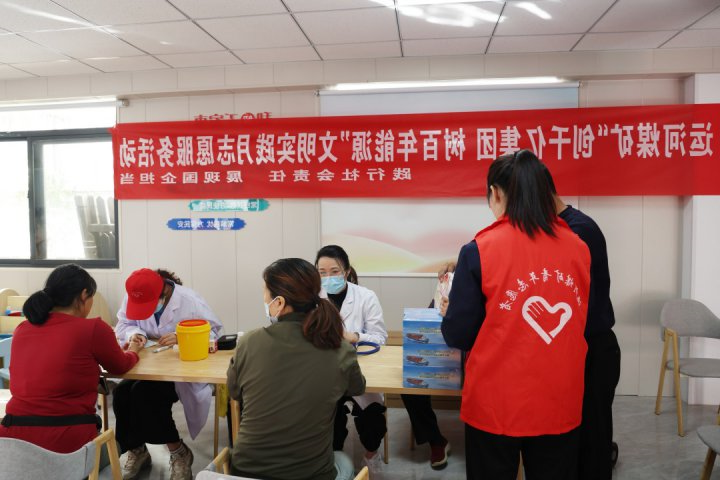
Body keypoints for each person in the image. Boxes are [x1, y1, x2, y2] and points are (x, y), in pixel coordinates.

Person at [441, 150, 591, 480]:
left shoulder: (479, 250)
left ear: (495, 193)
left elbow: (459, 334)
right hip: (559, 399)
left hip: (496, 404)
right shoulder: (579, 248)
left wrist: (450, 313)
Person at [226, 258, 365, 480]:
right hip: (312, 474)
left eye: (265, 293)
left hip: (246, 472)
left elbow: (234, 392)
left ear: (279, 302)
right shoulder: (340, 349)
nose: (264, 299)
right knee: (343, 460)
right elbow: (357, 388)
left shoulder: (248, 342)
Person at [0, 264, 141, 454]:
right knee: (114, 449)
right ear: (84, 295)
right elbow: (121, 366)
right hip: (69, 445)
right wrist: (133, 350)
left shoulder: (22, 329)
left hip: (13, 444)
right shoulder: (93, 329)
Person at [546, 169, 622, 479]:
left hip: (593, 351)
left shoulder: (578, 231)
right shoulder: (557, 227)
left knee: (593, 441)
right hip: (573, 351)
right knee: (573, 441)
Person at [114, 268, 223, 480]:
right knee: (121, 394)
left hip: (179, 370)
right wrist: (135, 333)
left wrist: (183, 336)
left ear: (163, 292)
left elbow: (214, 334)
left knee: (144, 395)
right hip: (146, 365)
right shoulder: (134, 296)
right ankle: (137, 449)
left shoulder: (190, 300)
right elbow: (124, 323)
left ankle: (179, 453)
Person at [315, 245, 388, 472]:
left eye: (334, 271)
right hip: (325, 372)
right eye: (322, 272)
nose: (328, 278)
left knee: (372, 419)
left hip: (360, 370)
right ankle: (334, 461)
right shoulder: (312, 298)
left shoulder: (366, 296)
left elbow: (380, 338)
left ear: (346, 271)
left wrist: (355, 336)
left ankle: (371, 455)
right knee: (329, 419)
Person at [400, 262, 452, 470]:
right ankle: (435, 440)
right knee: (411, 385)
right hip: (439, 356)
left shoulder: (479, 291)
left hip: (471, 359)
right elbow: (428, 325)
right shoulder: (445, 287)